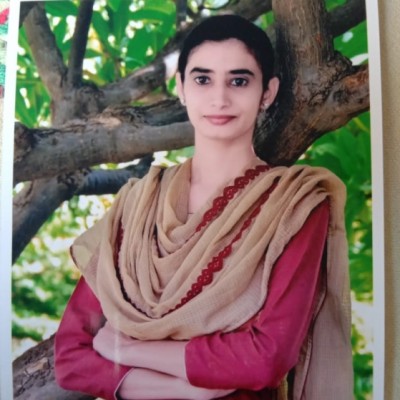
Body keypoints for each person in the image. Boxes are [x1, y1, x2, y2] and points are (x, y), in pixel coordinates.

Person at [54, 14, 353, 400]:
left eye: (239, 81)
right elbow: (71, 355)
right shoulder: (137, 204)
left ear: (268, 92)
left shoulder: (294, 205)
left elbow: (267, 357)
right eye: (202, 79)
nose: (219, 98)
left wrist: (128, 349)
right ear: (181, 88)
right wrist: (191, 389)